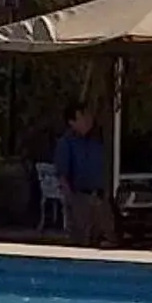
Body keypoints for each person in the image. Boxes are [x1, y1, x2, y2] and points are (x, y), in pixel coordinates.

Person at [54, 102, 116, 246]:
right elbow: (62, 175)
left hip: (100, 198)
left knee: (107, 239)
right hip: (80, 198)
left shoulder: (96, 141)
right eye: (83, 116)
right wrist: (72, 203)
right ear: (72, 122)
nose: (88, 119)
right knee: (81, 242)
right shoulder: (66, 143)